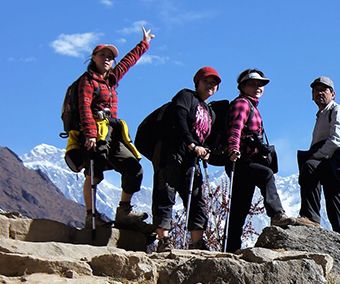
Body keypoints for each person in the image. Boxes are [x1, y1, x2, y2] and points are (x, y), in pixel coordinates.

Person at [79, 26, 154, 229]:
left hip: (112, 132)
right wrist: (90, 134)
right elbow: (84, 107)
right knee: (93, 173)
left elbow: (128, 62)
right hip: (93, 132)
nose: (106, 59)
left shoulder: (111, 80)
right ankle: (90, 215)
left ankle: (124, 209)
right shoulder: (87, 81)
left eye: (110, 57)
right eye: (102, 55)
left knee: (134, 168)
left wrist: (144, 43)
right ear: (93, 57)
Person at [224, 68, 300, 253]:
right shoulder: (242, 104)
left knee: (240, 207)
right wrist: (233, 148)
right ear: (242, 86)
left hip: (242, 160)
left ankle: (230, 248)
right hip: (241, 159)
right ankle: (276, 214)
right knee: (265, 174)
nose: (258, 87)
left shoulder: (251, 106)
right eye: (252, 84)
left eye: (260, 84)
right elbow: (235, 128)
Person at [152, 67, 220, 252]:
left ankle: (196, 241)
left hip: (192, 158)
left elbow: (204, 137)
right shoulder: (185, 96)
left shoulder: (209, 112)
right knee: (165, 192)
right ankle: (163, 240)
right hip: (172, 150)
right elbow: (179, 119)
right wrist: (191, 143)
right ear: (197, 82)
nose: (210, 85)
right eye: (206, 81)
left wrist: (205, 150)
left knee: (197, 198)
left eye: (214, 83)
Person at [298, 76, 340, 238]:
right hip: (331, 162)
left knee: (336, 203)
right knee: (335, 206)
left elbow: (338, 139)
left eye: (324, 90)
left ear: (333, 94)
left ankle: (310, 217)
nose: (319, 93)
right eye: (316, 90)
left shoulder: (338, 111)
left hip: (337, 162)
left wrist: (316, 156)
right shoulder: (322, 114)